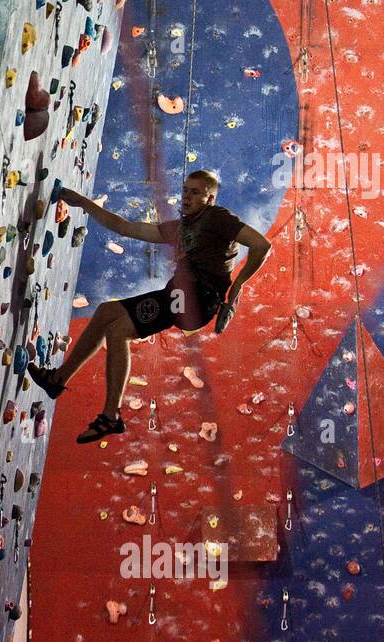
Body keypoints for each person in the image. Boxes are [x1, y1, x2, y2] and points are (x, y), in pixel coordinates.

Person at [28, 170, 272, 444]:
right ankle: (57, 380)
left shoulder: (216, 218)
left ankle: (110, 416)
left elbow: (261, 245)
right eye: (185, 190)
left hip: (195, 300)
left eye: (195, 192)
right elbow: (126, 227)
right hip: (178, 293)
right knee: (106, 313)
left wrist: (237, 288)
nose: (186, 196)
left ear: (210, 197)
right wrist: (84, 203)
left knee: (118, 331)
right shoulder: (180, 228)